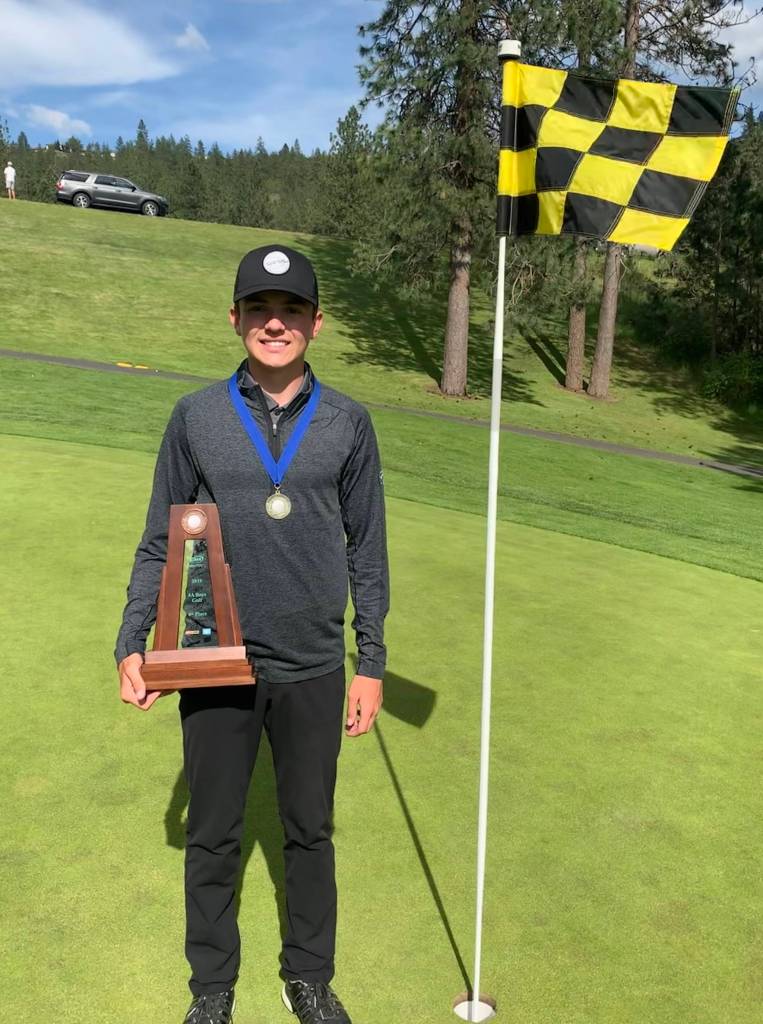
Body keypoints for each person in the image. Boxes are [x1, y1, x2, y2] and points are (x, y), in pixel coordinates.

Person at [115, 244, 389, 1024]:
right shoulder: (196, 416)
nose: (276, 323)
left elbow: (367, 549)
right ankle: (212, 989)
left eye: (292, 309)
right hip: (210, 661)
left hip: (310, 662)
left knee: (308, 831)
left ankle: (308, 976)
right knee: (212, 834)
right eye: (261, 309)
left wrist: (370, 661)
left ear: (315, 323)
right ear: (234, 319)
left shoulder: (348, 423)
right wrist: (132, 639)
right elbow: (157, 539)